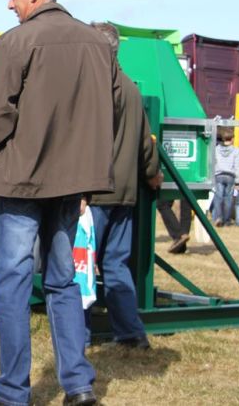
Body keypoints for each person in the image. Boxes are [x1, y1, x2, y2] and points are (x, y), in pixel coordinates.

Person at [0, 0, 118, 406]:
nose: (9, 3)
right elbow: (103, 115)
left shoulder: (16, 41)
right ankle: (78, 385)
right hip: (71, 183)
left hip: (18, 181)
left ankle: (14, 391)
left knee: (12, 285)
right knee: (63, 281)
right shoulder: (98, 44)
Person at [86, 23, 163, 350]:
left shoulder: (92, 88)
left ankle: (80, 336)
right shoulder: (131, 89)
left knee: (82, 267)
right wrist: (152, 176)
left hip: (92, 193)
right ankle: (131, 334)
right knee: (116, 265)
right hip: (125, 193)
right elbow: (146, 144)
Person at [212, 128, 239, 226]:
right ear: (232, 139)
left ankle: (218, 217)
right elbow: (238, 166)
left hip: (218, 175)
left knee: (218, 197)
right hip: (230, 176)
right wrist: (238, 181)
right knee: (228, 199)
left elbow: (213, 162)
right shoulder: (236, 151)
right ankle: (226, 220)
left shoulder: (216, 149)